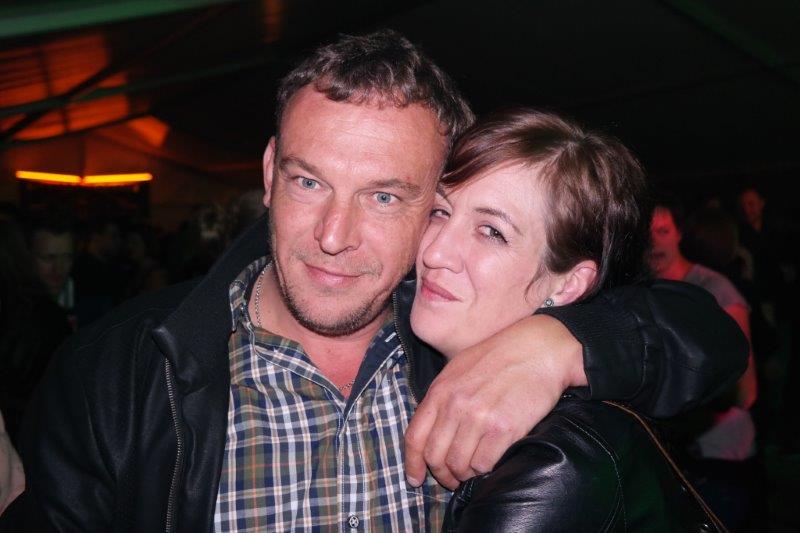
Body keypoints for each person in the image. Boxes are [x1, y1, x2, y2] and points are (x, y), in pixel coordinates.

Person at [17, 31, 746, 531]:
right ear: (269, 173)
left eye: (386, 196)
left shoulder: (451, 336)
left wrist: (558, 346)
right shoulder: (118, 373)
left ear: (429, 201)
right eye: (309, 181)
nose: (334, 236)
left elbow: (706, 334)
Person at [407, 108, 725, 530]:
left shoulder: (554, 465)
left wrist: (558, 346)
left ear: (568, 283)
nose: (434, 252)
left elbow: (715, 335)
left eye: (492, 232)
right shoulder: (385, 313)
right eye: (440, 211)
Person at [651, 199, 759, 529]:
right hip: (667, 462)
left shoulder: (715, 289)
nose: (653, 241)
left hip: (718, 460)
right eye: (645, 233)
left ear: (679, 234)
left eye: (663, 231)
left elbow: (746, 391)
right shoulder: (639, 293)